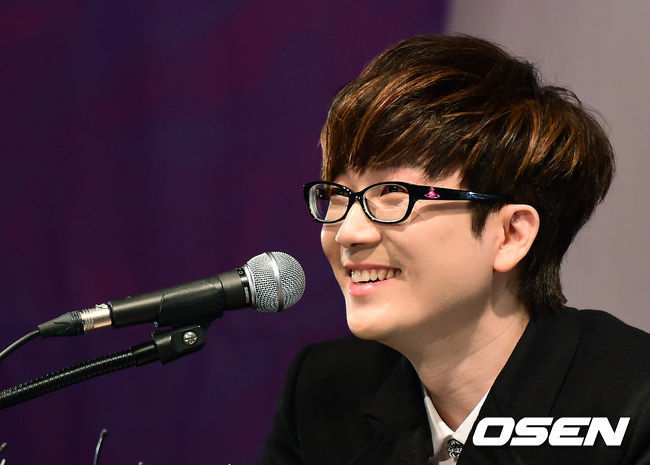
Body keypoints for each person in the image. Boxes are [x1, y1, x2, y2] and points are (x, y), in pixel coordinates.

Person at [257, 35, 650, 465]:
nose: (348, 233)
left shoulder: (634, 401)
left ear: (511, 235)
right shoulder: (324, 393)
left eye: (392, 192)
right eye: (337, 194)